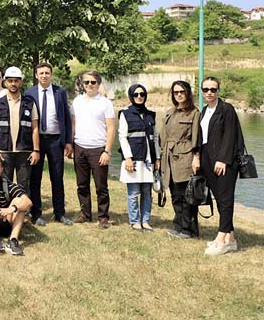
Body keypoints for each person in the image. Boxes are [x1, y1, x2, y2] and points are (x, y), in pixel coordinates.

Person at [24, 62, 74, 226]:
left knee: (57, 177)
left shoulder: (60, 92)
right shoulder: (29, 93)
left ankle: (60, 213)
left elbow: (66, 118)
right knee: (35, 178)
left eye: (47, 72)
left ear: (51, 74)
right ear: (36, 75)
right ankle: (36, 213)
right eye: (41, 73)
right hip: (36, 140)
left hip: (55, 140)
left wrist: (68, 141)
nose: (44, 75)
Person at [199, 77, 242, 255]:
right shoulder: (204, 110)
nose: (209, 92)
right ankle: (231, 239)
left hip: (224, 161)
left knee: (225, 199)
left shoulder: (226, 109)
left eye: (213, 89)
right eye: (206, 89)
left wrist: (223, 159)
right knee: (220, 198)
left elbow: (231, 135)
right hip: (207, 159)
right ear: (201, 91)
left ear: (218, 91)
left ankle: (221, 239)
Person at [71, 70, 115, 229]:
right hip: (80, 147)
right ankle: (85, 213)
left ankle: (103, 216)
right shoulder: (77, 101)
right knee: (82, 184)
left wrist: (107, 151)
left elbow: (111, 128)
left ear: (98, 84)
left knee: (101, 186)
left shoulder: (105, 103)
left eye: (93, 82)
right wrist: (71, 145)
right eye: (86, 82)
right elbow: (73, 124)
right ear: (82, 84)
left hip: (98, 149)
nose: (89, 85)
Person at [158, 80, 201, 239]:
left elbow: (196, 138)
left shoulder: (194, 113)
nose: (179, 95)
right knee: (175, 195)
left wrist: (196, 157)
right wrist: (160, 158)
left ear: (188, 93)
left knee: (187, 196)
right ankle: (178, 226)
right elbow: (162, 137)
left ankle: (188, 230)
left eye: (182, 92)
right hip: (168, 160)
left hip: (185, 158)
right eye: (176, 92)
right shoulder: (170, 112)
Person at [0, 66, 40, 196]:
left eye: (16, 81)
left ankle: (23, 208)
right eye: (10, 80)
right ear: (5, 82)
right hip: (4, 151)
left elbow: (35, 128)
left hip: (24, 151)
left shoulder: (29, 103)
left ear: (21, 82)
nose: (13, 84)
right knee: (4, 184)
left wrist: (36, 150)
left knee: (24, 185)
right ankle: (6, 208)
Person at [118, 84, 160, 232]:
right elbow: (122, 137)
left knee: (147, 193)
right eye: (136, 94)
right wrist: (128, 158)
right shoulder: (125, 114)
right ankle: (135, 221)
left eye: (142, 94)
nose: (139, 97)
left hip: (148, 160)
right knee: (133, 193)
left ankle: (145, 220)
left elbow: (155, 138)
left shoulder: (151, 115)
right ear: (131, 96)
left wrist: (157, 158)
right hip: (134, 159)